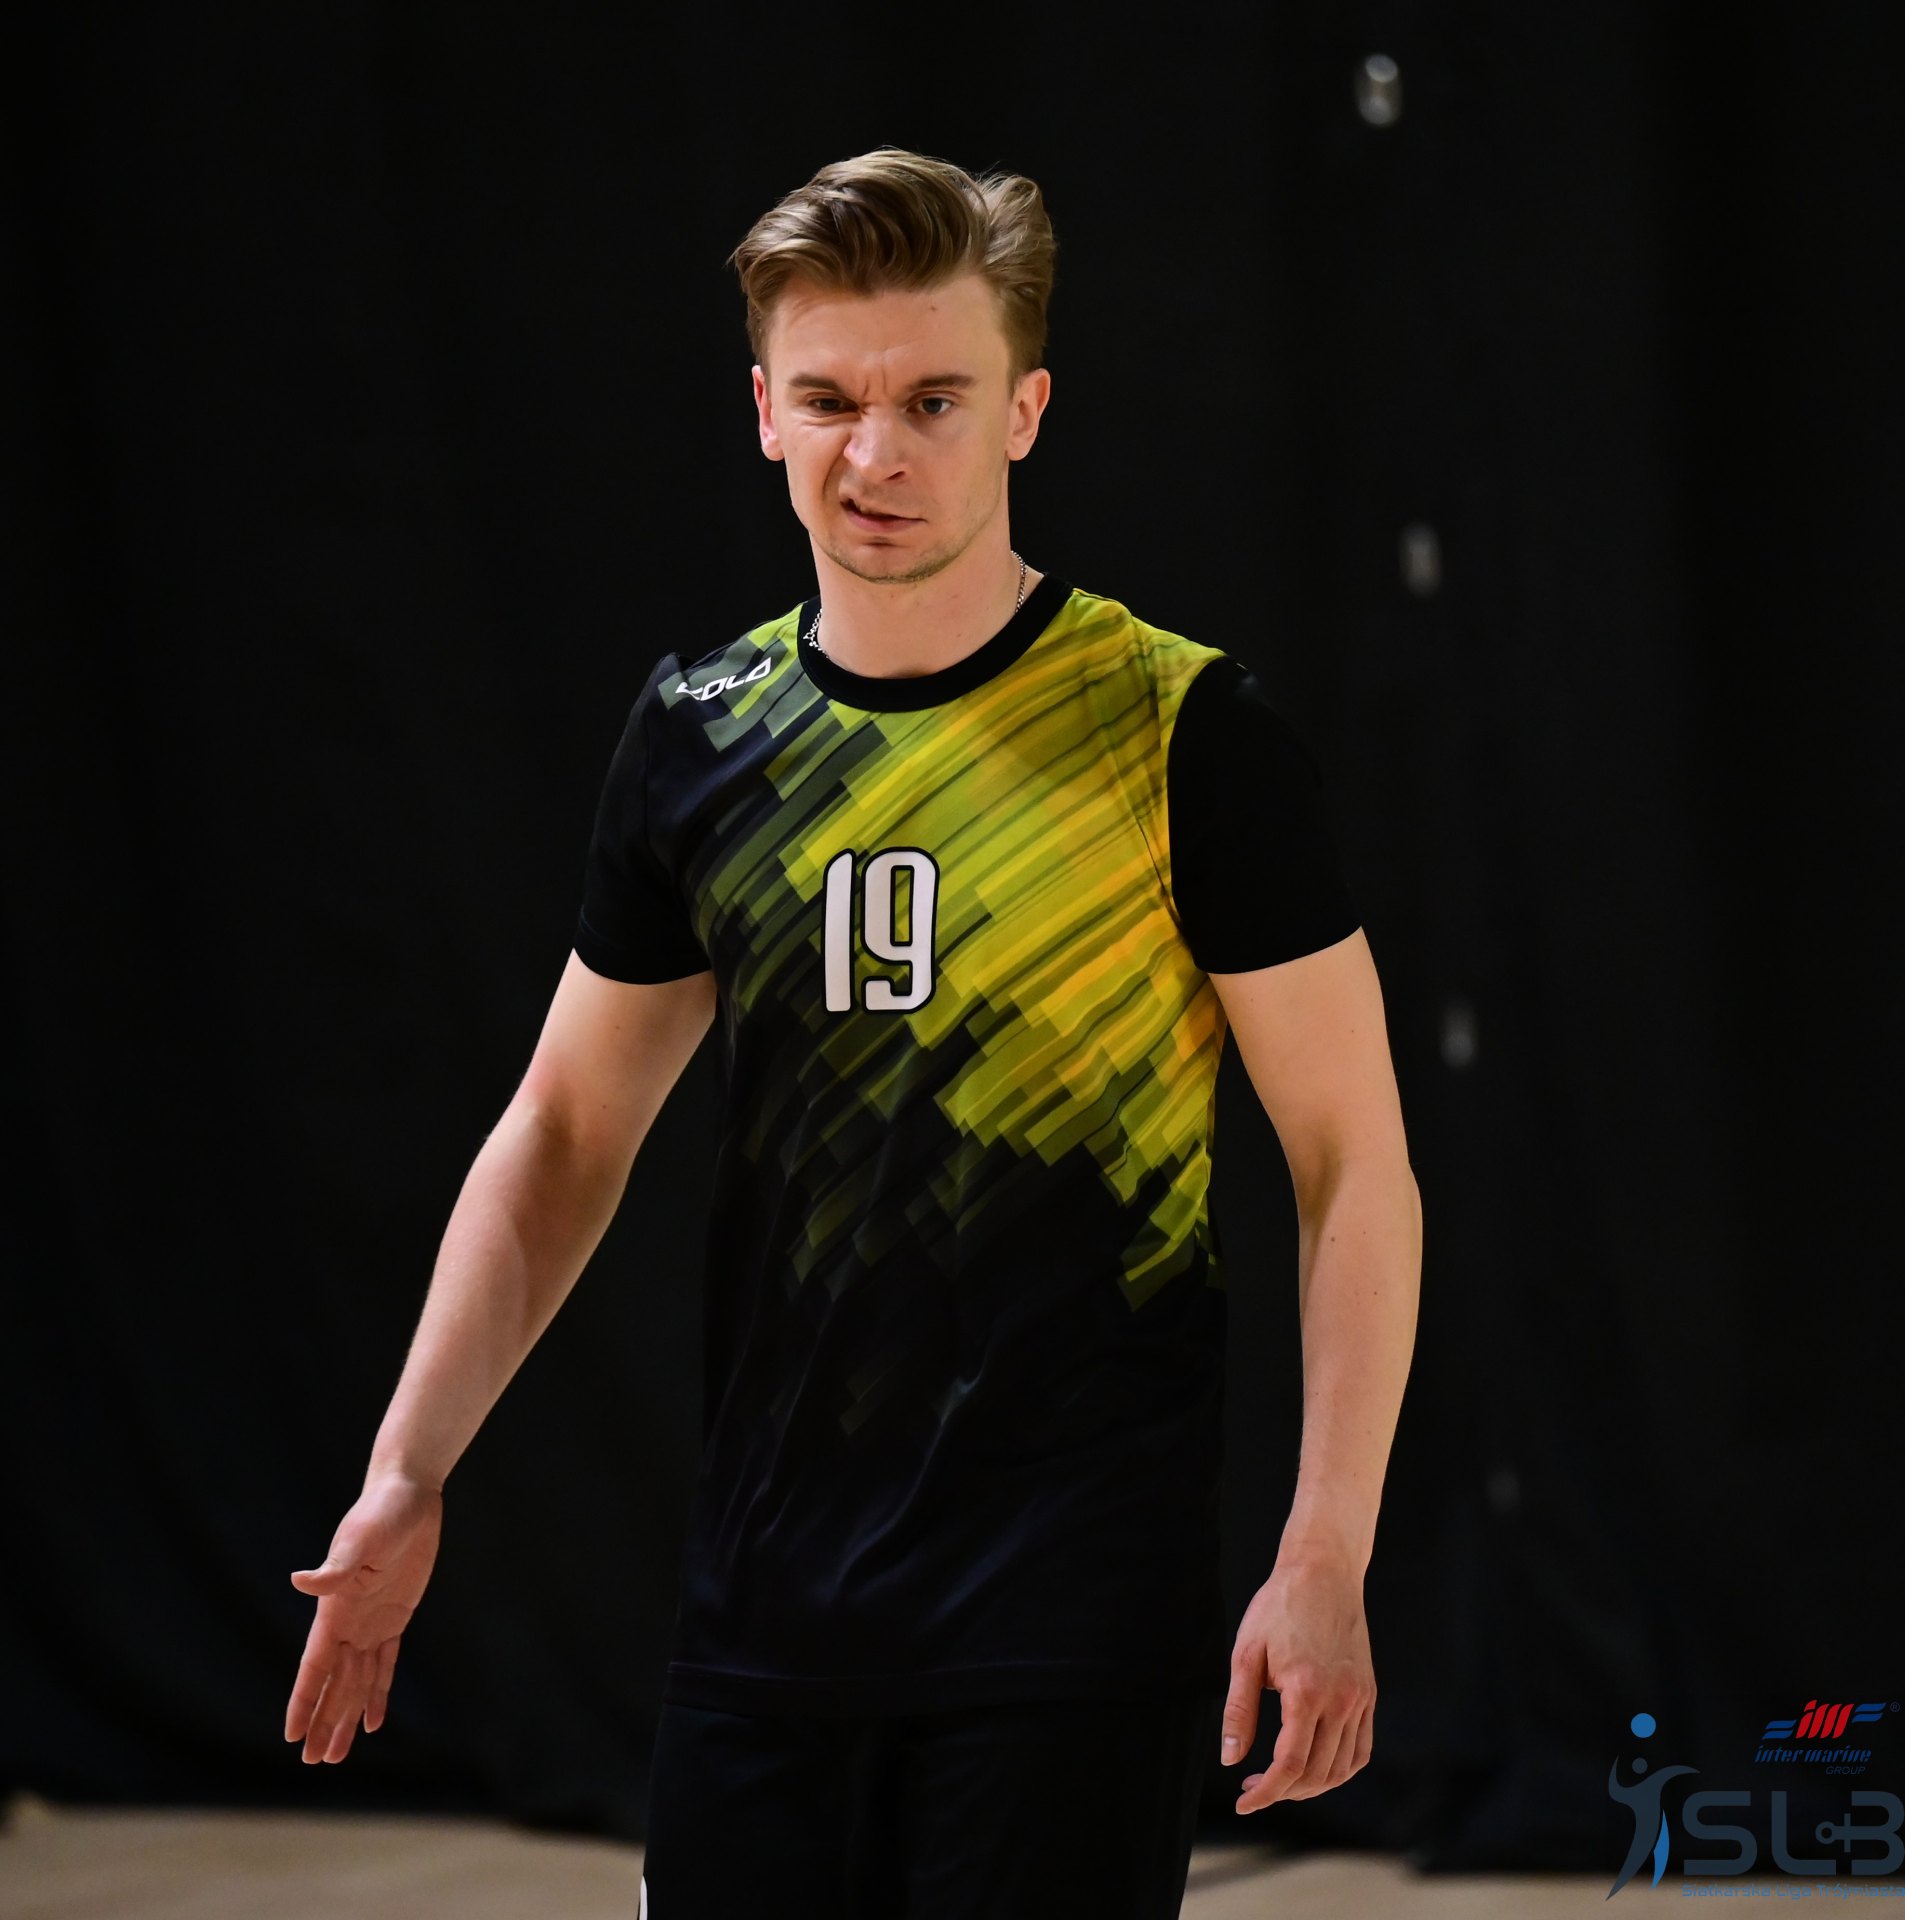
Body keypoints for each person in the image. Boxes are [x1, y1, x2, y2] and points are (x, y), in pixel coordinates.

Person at [284, 146, 1422, 1919]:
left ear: (1024, 411)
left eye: (932, 401)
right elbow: (565, 1135)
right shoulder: (700, 735)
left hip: (1064, 1619)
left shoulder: (1181, 731)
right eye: (825, 399)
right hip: (766, 1610)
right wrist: (403, 1472)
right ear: (762, 412)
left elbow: (1351, 1164)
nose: (873, 454)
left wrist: (1324, 1549)